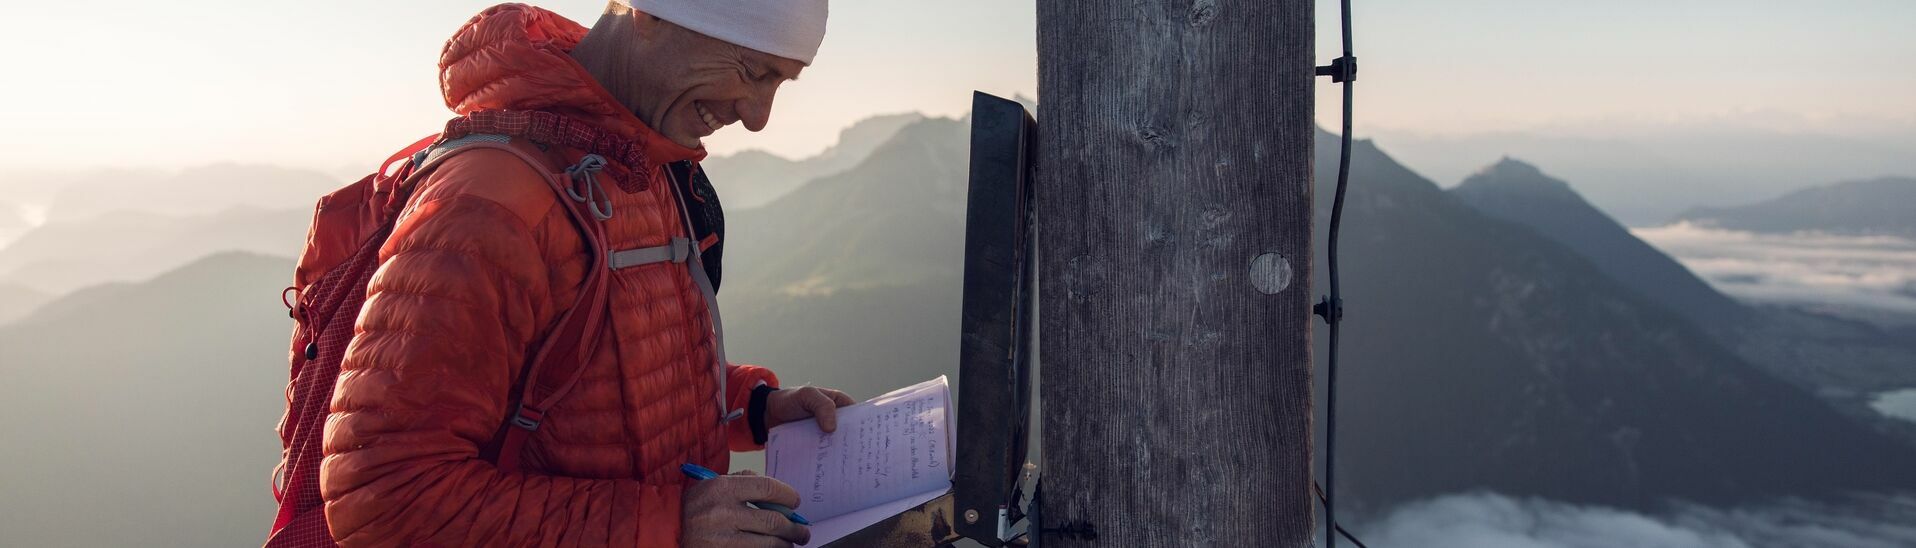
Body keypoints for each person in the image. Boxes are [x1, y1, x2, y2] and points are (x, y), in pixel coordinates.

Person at [319, 2, 851, 546]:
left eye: (779, 83)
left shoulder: (641, 161)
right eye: (751, 70)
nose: (758, 115)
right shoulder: (488, 203)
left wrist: (755, 409)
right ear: (652, 16)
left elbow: (601, 370)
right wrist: (671, 524)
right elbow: (386, 495)